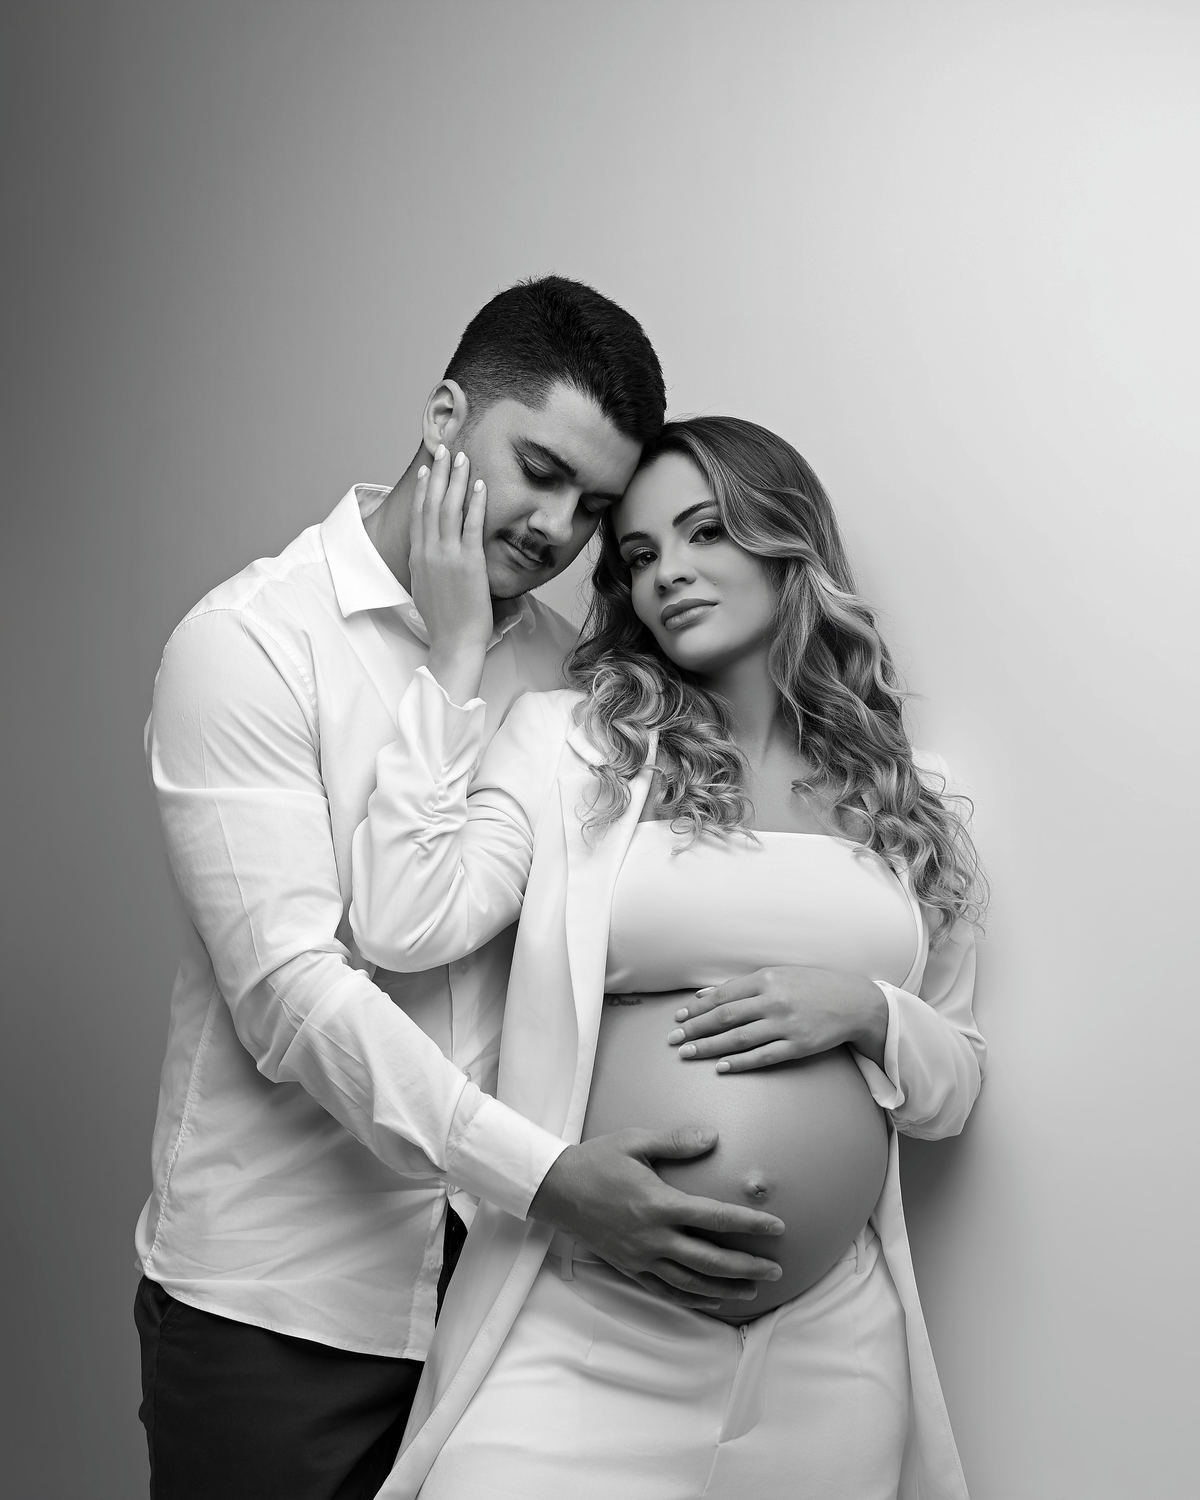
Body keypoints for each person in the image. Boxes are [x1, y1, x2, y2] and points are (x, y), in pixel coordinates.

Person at [134, 283, 787, 1500]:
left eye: (594, 507)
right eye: (539, 471)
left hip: (506, 1290)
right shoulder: (250, 643)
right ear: (445, 417)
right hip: (287, 1305)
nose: (558, 528)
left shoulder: (569, 667)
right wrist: (546, 1177)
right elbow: (292, 997)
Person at [350, 415, 988, 1499]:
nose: (668, 574)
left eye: (704, 532)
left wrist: (871, 1011)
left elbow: (954, 1086)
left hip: (828, 1352)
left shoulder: (909, 798)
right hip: (588, 1322)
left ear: (786, 540)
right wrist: (457, 655)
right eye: (640, 555)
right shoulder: (570, 742)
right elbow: (402, 918)